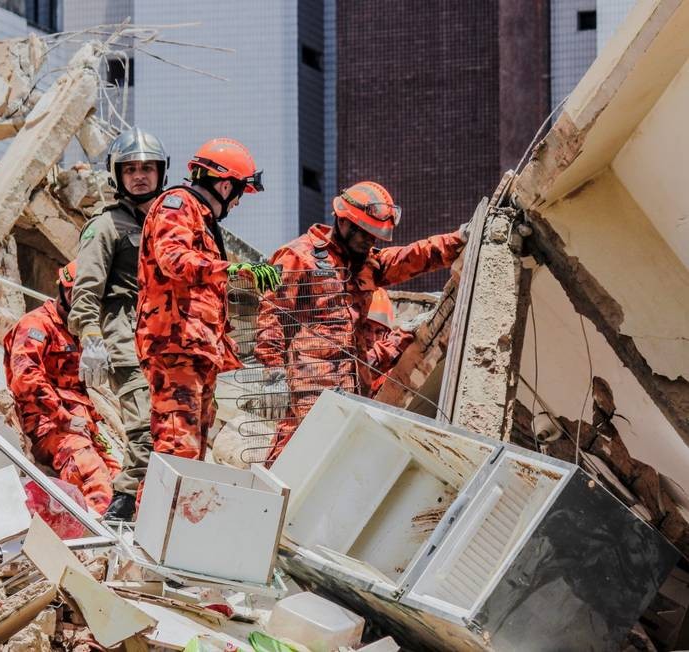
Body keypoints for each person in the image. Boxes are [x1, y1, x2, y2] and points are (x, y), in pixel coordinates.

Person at [255, 181, 469, 461]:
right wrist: (274, 374)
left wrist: (459, 240)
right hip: (311, 387)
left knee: (332, 462)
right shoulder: (299, 257)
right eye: (366, 235)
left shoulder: (367, 264)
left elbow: (411, 257)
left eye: (375, 237)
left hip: (350, 387)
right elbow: (271, 314)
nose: (371, 242)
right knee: (299, 457)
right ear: (344, 222)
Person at [135, 138, 280, 468]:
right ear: (226, 185)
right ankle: (156, 519)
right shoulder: (178, 204)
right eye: (240, 192)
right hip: (175, 349)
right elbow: (173, 259)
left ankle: (173, 519)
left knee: (192, 456)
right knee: (177, 452)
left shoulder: (201, 219)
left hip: (196, 352)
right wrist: (234, 269)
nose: (238, 202)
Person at [68, 128, 168, 521]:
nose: (140, 175)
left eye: (147, 168)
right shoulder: (106, 225)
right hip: (125, 334)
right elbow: (86, 288)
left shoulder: (169, 223)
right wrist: (91, 336)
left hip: (166, 335)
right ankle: (122, 506)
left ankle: (155, 511)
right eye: (130, 169)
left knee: (173, 428)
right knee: (145, 427)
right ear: (118, 175)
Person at [3, 261, 120, 514]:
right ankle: (91, 545)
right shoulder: (37, 325)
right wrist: (62, 416)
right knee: (94, 481)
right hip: (51, 425)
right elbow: (26, 377)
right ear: (64, 291)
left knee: (124, 482)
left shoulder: (81, 334)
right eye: (77, 295)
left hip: (82, 425)